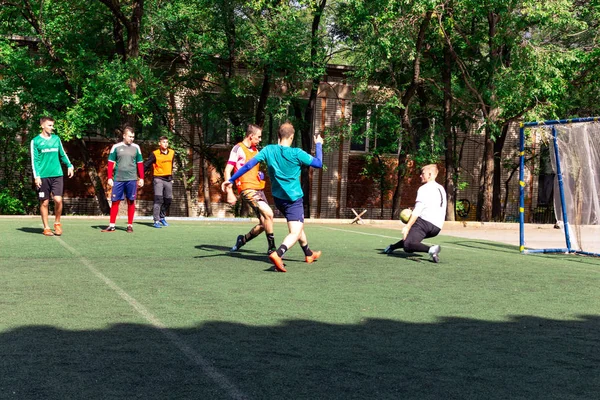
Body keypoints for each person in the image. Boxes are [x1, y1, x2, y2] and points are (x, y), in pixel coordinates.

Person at [222, 122, 323, 272]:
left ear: (278, 136)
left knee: (297, 224)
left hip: (278, 199)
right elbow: (318, 163)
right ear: (292, 136)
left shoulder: (268, 150)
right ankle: (278, 253)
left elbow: (248, 165)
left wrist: (231, 180)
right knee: (294, 231)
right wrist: (319, 145)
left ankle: (309, 254)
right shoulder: (297, 153)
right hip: (293, 199)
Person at [223, 124, 276, 254]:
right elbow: (227, 170)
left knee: (265, 222)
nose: (259, 140)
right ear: (251, 136)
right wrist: (230, 192)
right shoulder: (238, 148)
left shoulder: (256, 151)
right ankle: (272, 249)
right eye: (258, 137)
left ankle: (242, 240)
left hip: (259, 189)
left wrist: (259, 174)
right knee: (269, 213)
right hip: (247, 189)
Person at [383, 164, 446, 263]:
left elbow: (418, 209)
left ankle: (431, 249)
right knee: (411, 239)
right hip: (437, 227)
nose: (420, 175)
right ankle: (392, 247)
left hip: (424, 223)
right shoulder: (441, 188)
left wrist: (407, 226)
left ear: (430, 174)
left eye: (422, 173)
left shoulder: (424, 188)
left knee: (408, 245)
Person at [30, 116, 74, 236]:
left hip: (57, 175)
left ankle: (57, 223)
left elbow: (63, 154)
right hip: (43, 176)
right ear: (42, 125)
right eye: (49, 125)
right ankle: (46, 227)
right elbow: (35, 161)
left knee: (58, 199)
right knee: (44, 202)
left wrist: (70, 165)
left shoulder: (56, 139)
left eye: (52, 125)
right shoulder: (35, 141)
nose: (52, 128)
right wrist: (36, 176)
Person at [101, 126, 144, 233]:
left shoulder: (136, 147)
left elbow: (140, 163)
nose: (131, 139)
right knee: (115, 201)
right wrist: (110, 177)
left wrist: (142, 178)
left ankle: (129, 225)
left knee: (131, 201)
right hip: (118, 179)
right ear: (124, 136)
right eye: (130, 136)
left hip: (132, 179)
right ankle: (112, 225)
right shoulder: (116, 147)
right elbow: (110, 163)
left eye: (133, 137)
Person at [144, 136, 175, 228]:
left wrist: (171, 177)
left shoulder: (172, 153)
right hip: (158, 178)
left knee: (168, 199)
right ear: (159, 143)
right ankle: (156, 220)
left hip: (168, 179)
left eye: (167, 142)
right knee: (158, 199)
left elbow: (171, 165)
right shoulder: (155, 154)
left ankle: (162, 217)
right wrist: (140, 176)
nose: (165, 144)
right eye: (163, 142)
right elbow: (146, 165)